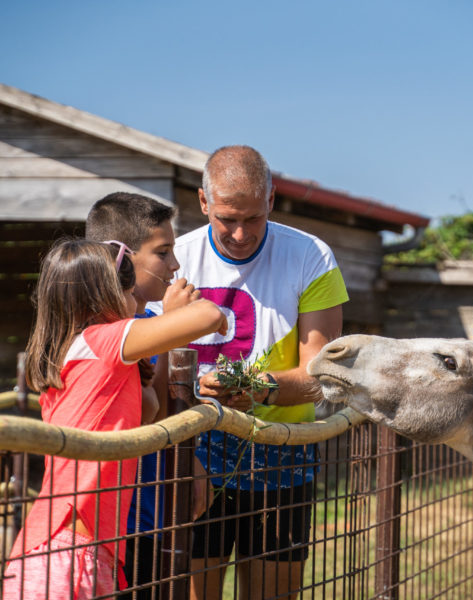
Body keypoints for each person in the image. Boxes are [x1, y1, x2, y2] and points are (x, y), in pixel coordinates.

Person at [151, 145, 349, 600]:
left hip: (281, 453)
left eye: (253, 218)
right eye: (226, 218)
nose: (240, 233)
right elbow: (147, 363)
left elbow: (320, 376)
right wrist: (193, 393)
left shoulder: (310, 256)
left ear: (272, 200)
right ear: (203, 203)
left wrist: (257, 389)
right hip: (193, 453)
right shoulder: (172, 259)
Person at [3, 238, 227, 599]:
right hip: (71, 552)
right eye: (130, 292)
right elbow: (210, 317)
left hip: (71, 547)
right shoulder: (101, 340)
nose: (138, 302)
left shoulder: (70, 350)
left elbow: (147, 410)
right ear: (105, 295)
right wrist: (170, 315)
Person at [85, 192, 186, 598]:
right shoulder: (111, 331)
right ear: (124, 259)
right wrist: (176, 322)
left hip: (145, 512)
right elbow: (154, 412)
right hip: (114, 520)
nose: (175, 265)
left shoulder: (145, 323)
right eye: (163, 252)